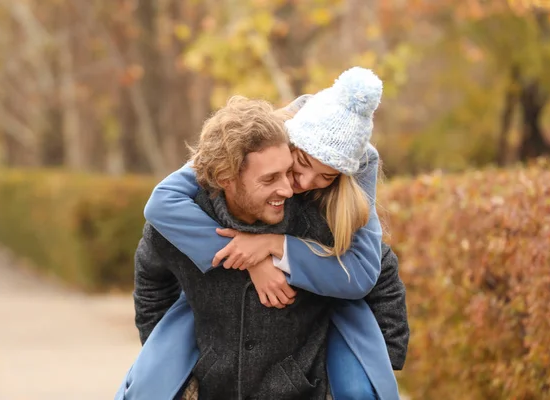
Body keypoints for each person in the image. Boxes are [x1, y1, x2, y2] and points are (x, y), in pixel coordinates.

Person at [116, 67, 407, 400]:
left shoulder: (339, 200)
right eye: (300, 163)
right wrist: (244, 257)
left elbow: (372, 270)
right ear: (287, 143)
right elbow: (161, 207)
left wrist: (275, 246)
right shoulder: (250, 148)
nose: (303, 183)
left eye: (326, 175)